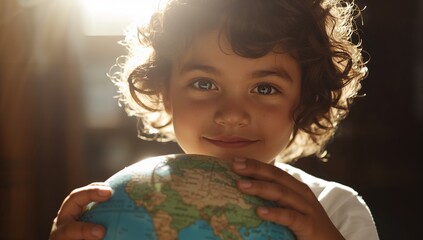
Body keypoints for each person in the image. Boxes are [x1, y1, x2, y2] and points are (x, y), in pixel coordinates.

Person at [50, 0, 379, 239]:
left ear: (304, 100)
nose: (232, 114)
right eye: (204, 84)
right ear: (165, 93)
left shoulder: (335, 210)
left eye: (265, 88)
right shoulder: (123, 206)